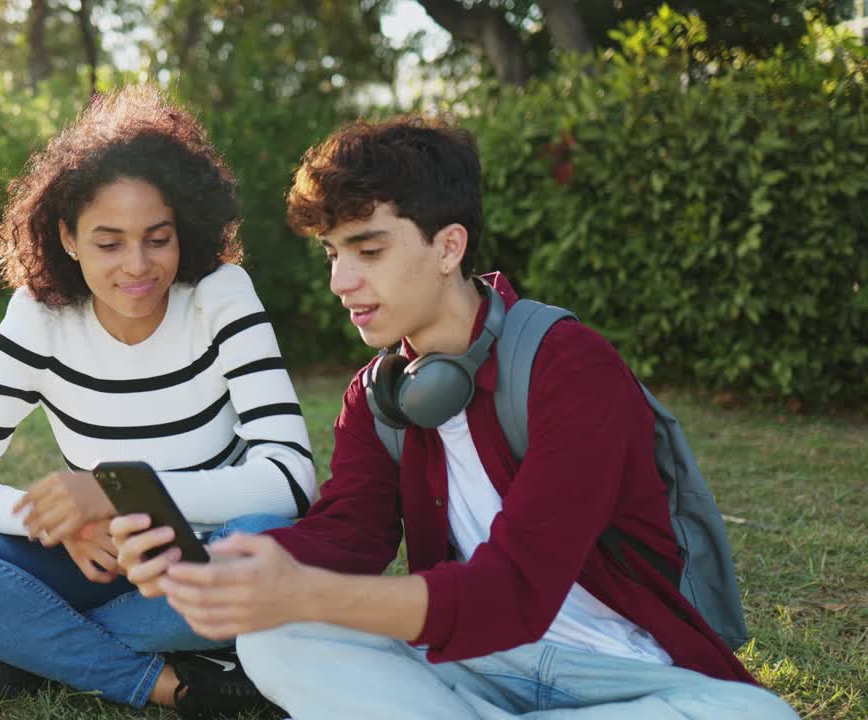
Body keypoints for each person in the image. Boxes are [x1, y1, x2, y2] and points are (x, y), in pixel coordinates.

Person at [112, 115, 798, 719]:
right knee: (274, 634)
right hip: (469, 663)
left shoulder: (570, 366)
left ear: (448, 247)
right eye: (333, 254)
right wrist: (222, 565)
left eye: (368, 250)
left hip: (620, 675)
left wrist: (308, 590)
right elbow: (347, 537)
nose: (339, 281)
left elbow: (516, 593)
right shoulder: (375, 397)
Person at [0, 86, 315, 719]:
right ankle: (168, 682)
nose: (136, 267)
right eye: (108, 242)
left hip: (204, 558)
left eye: (158, 239)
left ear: (184, 231)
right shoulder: (41, 317)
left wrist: (115, 489)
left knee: (272, 545)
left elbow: (290, 478)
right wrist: (70, 523)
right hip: (94, 560)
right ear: (67, 237)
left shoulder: (220, 295)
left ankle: (20, 653)